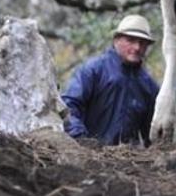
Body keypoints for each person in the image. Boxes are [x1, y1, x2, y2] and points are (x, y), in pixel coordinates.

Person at [61, 14, 160, 146]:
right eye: (131, 40)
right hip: (87, 156)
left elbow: (152, 133)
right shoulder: (92, 70)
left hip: (128, 162)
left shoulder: (149, 86)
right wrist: (81, 139)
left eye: (142, 43)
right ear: (116, 40)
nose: (137, 47)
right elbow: (68, 106)